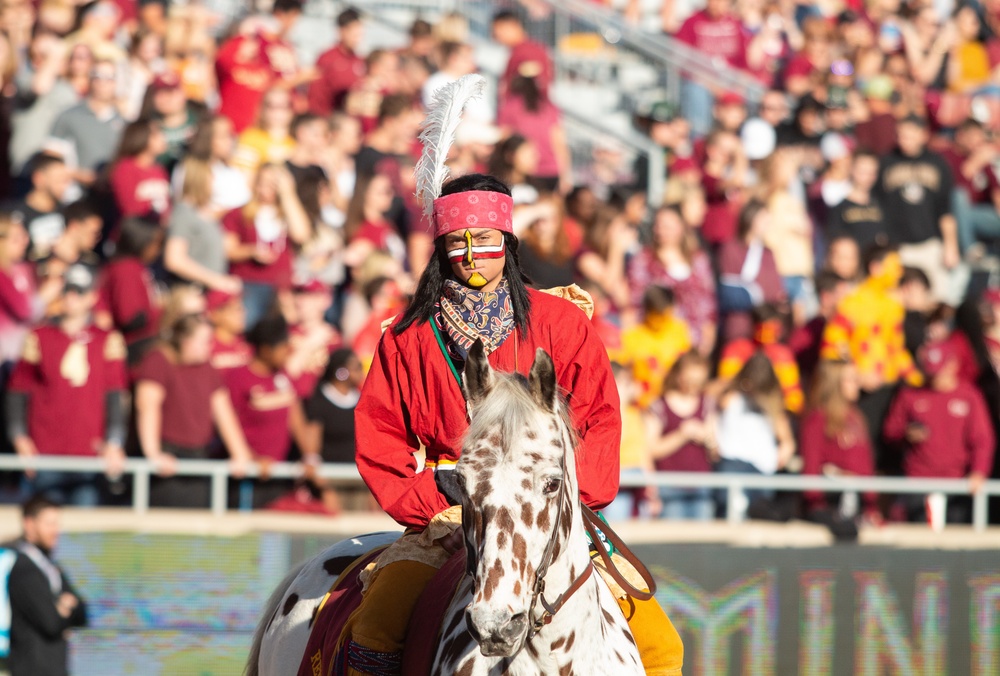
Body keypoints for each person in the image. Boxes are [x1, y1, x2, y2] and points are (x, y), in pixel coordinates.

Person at [347, 82, 682, 673]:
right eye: (459, 244)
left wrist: (575, 494)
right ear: (442, 250)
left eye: (487, 242)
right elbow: (380, 436)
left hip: (550, 507)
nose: (474, 256)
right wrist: (431, 497)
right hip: (447, 514)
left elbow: (601, 415)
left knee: (662, 647)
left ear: (508, 243)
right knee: (374, 628)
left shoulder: (561, 322)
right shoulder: (405, 337)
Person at [6, 265, 127, 506]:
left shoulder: (107, 339)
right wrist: (19, 437)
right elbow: (18, 390)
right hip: (45, 452)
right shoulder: (39, 336)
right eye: (69, 290)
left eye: (79, 292)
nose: (72, 297)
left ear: (92, 297)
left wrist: (114, 441)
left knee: (82, 530)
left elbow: (115, 394)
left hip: (90, 453)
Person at [133, 313, 253, 508]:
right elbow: (147, 406)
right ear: (186, 341)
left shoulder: (207, 367)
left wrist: (240, 453)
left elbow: (223, 412)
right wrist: (153, 453)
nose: (210, 346)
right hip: (168, 455)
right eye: (205, 341)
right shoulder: (158, 360)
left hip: (198, 456)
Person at [822, 245, 920, 472]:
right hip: (862, 392)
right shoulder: (852, 302)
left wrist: (915, 378)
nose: (898, 272)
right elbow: (832, 346)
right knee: (863, 450)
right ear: (876, 268)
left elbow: (896, 348)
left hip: (891, 389)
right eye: (894, 266)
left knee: (889, 454)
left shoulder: (894, 306)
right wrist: (855, 373)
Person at [883, 340, 995, 523]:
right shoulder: (910, 395)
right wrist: (907, 434)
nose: (935, 377)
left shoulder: (969, 396)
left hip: (957, 484)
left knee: (955, 540)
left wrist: (978, 471)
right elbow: (891, 431)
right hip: (918, 483)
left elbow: (983, 440)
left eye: (940, 371)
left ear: (953, 364)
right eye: (931, 371)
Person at [224, 314, 311, 508]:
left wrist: (309, 455)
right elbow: (227, 422)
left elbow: (295, 417)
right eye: (283, 348)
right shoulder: (238, 378)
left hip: (280, 475)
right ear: (264, 350)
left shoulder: (284, 377)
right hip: (247, 478)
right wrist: (253, 458)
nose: (288, 353)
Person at [877, 114, 960, 303]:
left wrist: (950, 245)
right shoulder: (886, 161)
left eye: (909, 134)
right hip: (897, 246)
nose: (904, 139)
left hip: (929, 244)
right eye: (900, 134)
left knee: (937, 298)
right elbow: (877, 204)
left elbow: (945, 209)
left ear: (923, 135)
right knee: (897, 300)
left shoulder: (937, 164)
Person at [7, 495, 87, 676]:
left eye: (57, 524)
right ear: (29, 524)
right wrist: (64, 607)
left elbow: (82, 612)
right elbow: (50, 623)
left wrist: (62, 608)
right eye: (49, 524)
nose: (55, 530)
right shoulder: (24, 569)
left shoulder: (50, 567)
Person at [625, 205, 717, 356]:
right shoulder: (644, 259)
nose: (662, 230)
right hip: (658, 343)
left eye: (667, 226)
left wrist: (708, 337)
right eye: (659, 225)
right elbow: (635, 300)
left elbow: (708, 302)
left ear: (681, 227)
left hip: (694, 342)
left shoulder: (698, 259)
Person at [714, 352, 796, 512]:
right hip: (732, 464)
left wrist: (784, 452)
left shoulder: (773, 405)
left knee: (759, 519)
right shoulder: (731, 397)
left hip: (762, 469)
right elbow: (709, 404)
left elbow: (787, 440)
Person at [799, 359, 878, 522]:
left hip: (858, 504)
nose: (857, 383)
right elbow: (811, 466)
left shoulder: (856, 417)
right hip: (831, 506)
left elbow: (866, 467)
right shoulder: (818, 419)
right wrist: (817, 508)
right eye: (851, 379)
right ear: (835, 384)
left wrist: (872, 507)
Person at [648, 352, 716, 521]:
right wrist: (682, 434)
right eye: (690, 380)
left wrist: (706, 438)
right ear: (678, 375)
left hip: (701, 486)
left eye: (699, 382)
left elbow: (715, 450)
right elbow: (651, 449)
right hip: (669, 486)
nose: (694, 386)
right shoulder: (659, 406)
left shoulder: (707, 404)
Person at [95, 216, 163, 366]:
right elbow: (130, 318)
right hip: (134, 347)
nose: (158, 250)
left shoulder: (133, 267)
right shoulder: (126, 269)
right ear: (141, 242)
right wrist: (162, 311)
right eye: (156, 243)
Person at [48, 58, 124, 187]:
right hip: (74, 194)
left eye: (109, 77)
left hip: (110, 193)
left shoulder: (124, 122)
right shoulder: (69, 115)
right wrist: (79, 175)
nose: (102, 82)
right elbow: (51, 157)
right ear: (89, 79)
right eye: (97, 76)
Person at [617, 285, 692, 409]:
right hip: (643, 406)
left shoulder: (680, 331)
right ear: (647, 311)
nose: (661, 319)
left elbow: (688, 366)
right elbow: (623, 374)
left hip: (675, 403)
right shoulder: (632, 336)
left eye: (665, 314)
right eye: (657, 314)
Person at [308, 7, 365, 116]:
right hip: (330, 119)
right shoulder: (327, 58)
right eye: (354, 34)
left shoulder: (359, 60)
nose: (357, 38)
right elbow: (316, 95)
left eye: (359, 34)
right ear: (341, 31)